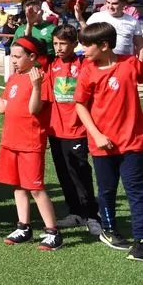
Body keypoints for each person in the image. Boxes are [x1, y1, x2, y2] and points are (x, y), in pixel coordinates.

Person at [0, 37, 63, 250]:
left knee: (35, 187)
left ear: (32, 57)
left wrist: (35, 86)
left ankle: (53, 232)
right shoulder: (15, 79)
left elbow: (34, 110)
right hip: (11, 140)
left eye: (18, 56)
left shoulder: (41, 79)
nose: (14, 61)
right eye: (13, 56)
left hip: (30, 142)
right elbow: (3, 108)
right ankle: (23, 227)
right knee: (18, 186)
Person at [73, 22, 143, 260]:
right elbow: (80, 105)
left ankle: (141, 239)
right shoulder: (87, 71)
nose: (82, 49)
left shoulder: (130, 64)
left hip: (133, 142)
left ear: (104, 45)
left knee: (136, 191)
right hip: (102, 144)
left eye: (86, 45)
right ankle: (110, 230)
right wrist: (97, 135)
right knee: (107, 190)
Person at [45, 24, 101, 234]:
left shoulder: (84, 63)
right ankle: (75, 212)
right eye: (55, 43)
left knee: (79, 172)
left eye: (63, 43)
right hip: (55, 131)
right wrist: (31, 24)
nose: (58, 47)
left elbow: (93, 45)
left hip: (77, 129)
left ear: (75, 44)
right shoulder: (51, 65)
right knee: (63, 173)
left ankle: (91, 215)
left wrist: (81, 22)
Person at [78, 0, 143, 56]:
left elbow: (140, 46)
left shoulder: (133, 21)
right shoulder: (96, 17)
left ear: (124, 4)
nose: (110, 6)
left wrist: (140, 63)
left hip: (125, 62)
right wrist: (80, 18)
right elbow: (86, 34)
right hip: (102, 62)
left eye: (114, 3)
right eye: (108, 2)